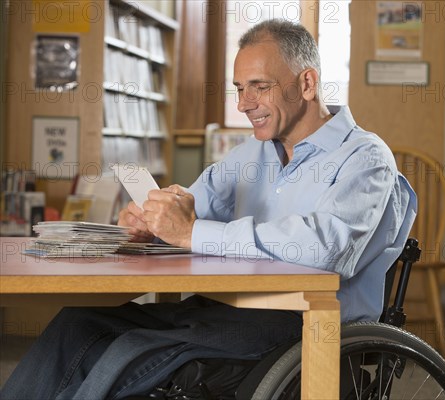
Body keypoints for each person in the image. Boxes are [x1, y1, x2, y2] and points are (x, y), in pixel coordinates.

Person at [1, 19, 416, 399]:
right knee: (78, 322)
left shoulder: (365, 159)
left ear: (307, 83)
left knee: (129, 351)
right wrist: (154, 218)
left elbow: (324, 249)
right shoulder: (251, 153)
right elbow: (190, 205)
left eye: (259, 86)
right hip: (229, 307)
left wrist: (192, 232)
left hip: (302, 323)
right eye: (239, 88)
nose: (243, 103)